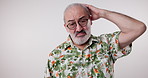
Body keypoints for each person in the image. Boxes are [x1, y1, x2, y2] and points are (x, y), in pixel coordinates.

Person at [44, 3, 146, 78]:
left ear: (90, 21)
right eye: (72, 24)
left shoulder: (107, 44)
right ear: (66, 27)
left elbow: (138, 28)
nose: (79, 28)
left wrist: (103, 13)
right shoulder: (55, 56)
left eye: (83, 21)